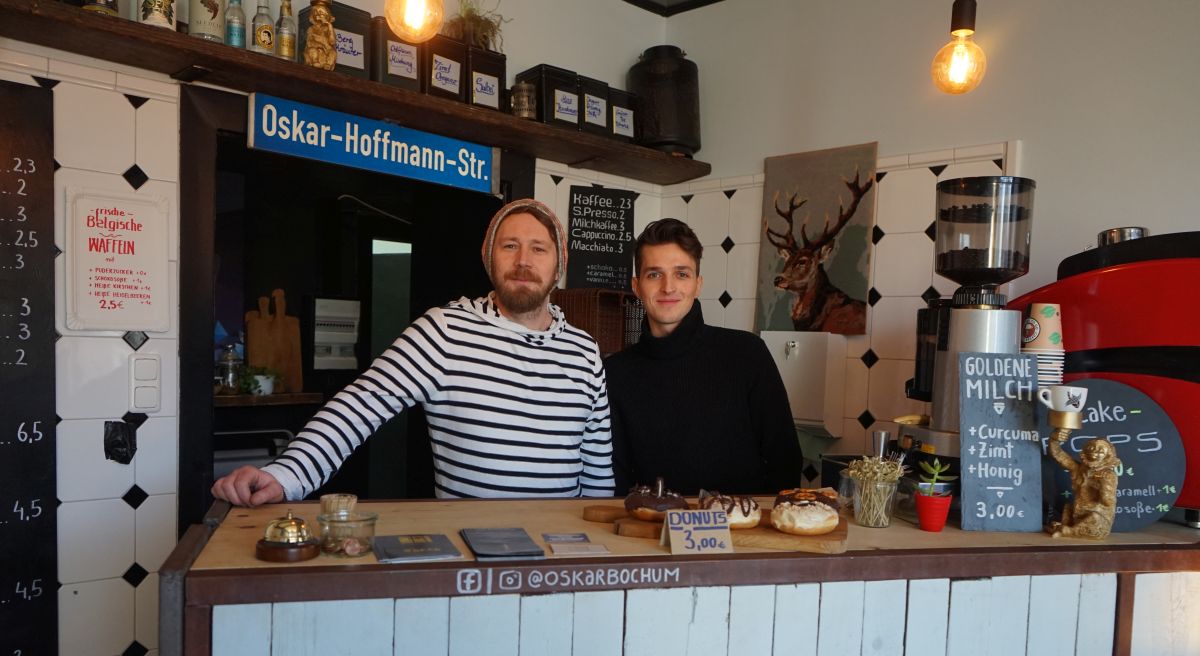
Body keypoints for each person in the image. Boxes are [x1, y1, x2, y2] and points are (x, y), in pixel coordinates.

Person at [212, 198, 615, 506]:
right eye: (509, 246)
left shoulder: (584, 351)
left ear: (559, 265)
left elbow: (598, 476)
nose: (523, 260)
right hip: (472, 561)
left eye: (538, 249)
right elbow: (360, 405)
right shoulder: (445, 329)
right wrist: (287, 474)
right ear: (488, 259)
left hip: (558, 564)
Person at [605, 218, 802, 496]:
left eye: (681, 274)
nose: (668, 287)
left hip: (743, 531)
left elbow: (786, 462)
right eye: (654, 274)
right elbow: (617, 477)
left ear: (698, 284)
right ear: (637, 287)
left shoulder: (747, 353)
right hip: (651, 531)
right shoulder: (615, 373)